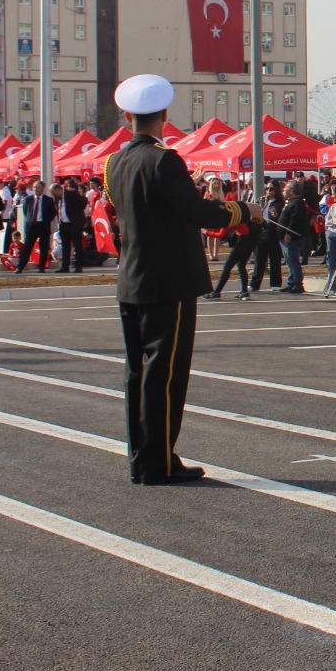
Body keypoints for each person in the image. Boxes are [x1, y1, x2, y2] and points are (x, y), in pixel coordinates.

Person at [104, 74, 259, 484]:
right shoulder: (163, 159)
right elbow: (197, 213)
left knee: (137, 372)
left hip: (131, 279)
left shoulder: (114, 161)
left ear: (127, 115)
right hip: (166, 281)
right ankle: (160, 462)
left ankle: (142, 459)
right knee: (165, 374)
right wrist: (244, 211)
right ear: (165, 115)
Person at [205, 201, 260, 301]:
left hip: (243, 241)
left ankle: (216, 292)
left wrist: (205, 232)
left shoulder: (230, 218)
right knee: (241, 265)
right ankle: (244, 292)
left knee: (227, 267)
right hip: (251, 239)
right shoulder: (239, 212)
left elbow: (220, 235)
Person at [276, 181, 312, 293]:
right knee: (289, 261)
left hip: (293, 237)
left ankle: (297, 283)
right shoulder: (290, 202)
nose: (284, 191)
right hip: (285, 237)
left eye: (286, 188)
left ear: (291, 191)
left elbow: (295, 220)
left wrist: (288, 233)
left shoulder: (297, 203)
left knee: (293, 261)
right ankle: (291, 282)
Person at [15, 179, 57, 273]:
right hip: (32, 226)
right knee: (27, 247)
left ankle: (41, 267)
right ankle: (20, 267)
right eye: (34, 187)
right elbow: (26, 211)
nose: (35, 189)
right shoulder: (28, 199)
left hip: (43, 226)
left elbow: (52, 213)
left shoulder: (48, 200)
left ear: (42, 188)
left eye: (37, 187)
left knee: (43, 248)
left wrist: (45, 220)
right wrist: (31, 220)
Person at [56, 179, 88, 273]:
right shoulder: (57, 197)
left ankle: (79, 266)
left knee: (77, 245)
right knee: (65, 246)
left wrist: (76, 215)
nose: (55, 195)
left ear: (59, 190)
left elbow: (82, 203)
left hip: (74, 223)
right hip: (63, 224)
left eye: (55, 193)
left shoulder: (71, 194)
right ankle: (65, 266)